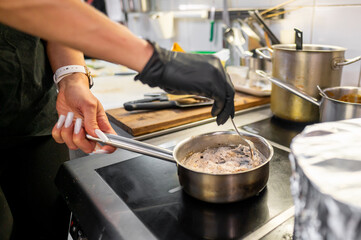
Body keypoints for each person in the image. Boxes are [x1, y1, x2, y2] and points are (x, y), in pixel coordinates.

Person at [0, 0, 235, 239]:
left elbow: (54, 21)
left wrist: (72, 79)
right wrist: (156, 61)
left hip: (35, 111)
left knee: (47, 224)